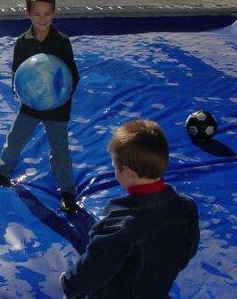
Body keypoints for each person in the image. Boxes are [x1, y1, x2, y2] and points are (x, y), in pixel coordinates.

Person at [61, 119, 200, 298]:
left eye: (115, 168)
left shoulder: (121, 227)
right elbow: (188, 251)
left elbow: (93, 270)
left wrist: (69, 283)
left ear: (128, 172)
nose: (114, 172)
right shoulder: (186, 208)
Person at [0, 0, 81, 213]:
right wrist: (20, 93)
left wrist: (63, 96)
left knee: (60, 150)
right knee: (15, 138)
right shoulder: (23, 42)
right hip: (30, 104)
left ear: (54, 13)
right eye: (37, 14)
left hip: (57, 107)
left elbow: (72, 74)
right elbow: (18, 71)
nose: (42, 19)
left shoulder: (62, 42)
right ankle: (2, 172)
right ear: (27, 14)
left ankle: (67, 191)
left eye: (47, 13)